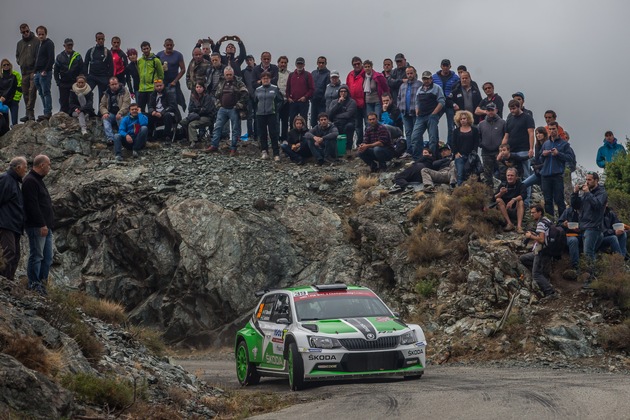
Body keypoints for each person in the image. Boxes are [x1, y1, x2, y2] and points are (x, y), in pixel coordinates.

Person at [22, 154, 54, 295]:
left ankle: (42, 283)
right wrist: (42, 224)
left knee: (47, 258)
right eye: (48, 164)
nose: (49, 167)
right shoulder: (30, 181)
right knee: (37, 255)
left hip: (45, 226)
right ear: (42, 165)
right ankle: (34, 284)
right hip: (37, 226)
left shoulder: (38, 180)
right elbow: (32, 205)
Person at [570, 172, 607, 289]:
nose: (587, 182)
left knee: (588, 253)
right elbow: (575, 206)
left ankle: (591, 280)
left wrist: (587, 193)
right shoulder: (587, 193)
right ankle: (594, 278)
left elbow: (597, 205)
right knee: (589, 253)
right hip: (585, 226)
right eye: (586, 179)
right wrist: (575, 194)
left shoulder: (602, 193)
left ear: (596, 180)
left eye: (589, 180)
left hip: (594, 227)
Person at [206, 67, 248, 155]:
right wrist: (218, 104)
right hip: (222, 109)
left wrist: (238, 105)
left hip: (234, 109)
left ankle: (233, 148)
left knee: (235, 129)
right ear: (224, 75)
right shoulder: (221, 82)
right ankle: (214, 145)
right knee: (217, 127)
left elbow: (245, 94)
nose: (229, 76)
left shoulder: (239, 82)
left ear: (233, 74)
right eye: (227, 75)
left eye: (230, 74)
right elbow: (216, 94)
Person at [519, 204, 558, 300]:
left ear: (539, 212)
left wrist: (530, 237)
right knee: (523, 258)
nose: (532, 215)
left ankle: (550, 292)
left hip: (542, 251)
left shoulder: (541, 223)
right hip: (548, 250)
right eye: (531, 212)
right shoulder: (547, 220)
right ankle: (541, 268)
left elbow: (541, 239)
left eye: (534, 212)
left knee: (536, 274)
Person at [502, 99, 535, 200]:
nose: (512, 111)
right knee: (512, 175)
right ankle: (514, 199)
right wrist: (501, 150)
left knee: (526, 175)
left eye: (514, 108)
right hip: (511, 151)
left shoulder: (527, 118)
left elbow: (531, 133)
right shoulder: (509, 120)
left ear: (519, 107)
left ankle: (526, 200)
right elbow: (506, 136)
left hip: (523, 150)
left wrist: (531, 149)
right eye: (510, 109)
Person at [0, 156, 27, 281]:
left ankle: (8, 282)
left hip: (15, 225)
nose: (25, 170)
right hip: (6, 224)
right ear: (18, 167)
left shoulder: (14, 181)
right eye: (25, 167)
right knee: (9, 251)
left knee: (15, 255)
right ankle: (2, 280)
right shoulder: (6, 179)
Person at [411, 70, 445, 160]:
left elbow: (441, 101)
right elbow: (416, 102)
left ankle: (432, 158)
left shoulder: (437, 88)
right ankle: (417, 158)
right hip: (420, 117)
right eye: (424, 79)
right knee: (415, 137)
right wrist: (417, 111)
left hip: (432, 116)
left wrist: (434, 113)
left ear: (431, 79)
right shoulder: (419, 89)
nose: (426, 80)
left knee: (433, 138)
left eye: (428, 78)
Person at [540, 122, 571, 218]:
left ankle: (562, 221)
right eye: (550, 129)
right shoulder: (546, 143)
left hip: (557, 175)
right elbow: (540, 159)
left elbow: (570, 158)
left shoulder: (564, 144)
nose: (552, 131)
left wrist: (558, 154)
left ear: (558, 130)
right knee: (547, 200)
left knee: (559, 200)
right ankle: (549, 221)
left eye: (554, 129)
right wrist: (543, 154)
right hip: (545, 175)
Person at [254, 72, 284, 161]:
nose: (265, 80)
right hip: (260, 115)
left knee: (273, 134)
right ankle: (264, 151)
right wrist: (257, 110)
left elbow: (281, 100)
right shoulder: (258, 89)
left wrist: (275, 109)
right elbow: (255, 101)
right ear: (261, 80)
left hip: (272, 114)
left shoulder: (274, 89)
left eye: (267, 78)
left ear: (270, 79)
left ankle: (276, 154)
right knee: (262, 134)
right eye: (264, 78)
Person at [432, 59, 459, 146]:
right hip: (438, 103)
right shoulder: (434, 77)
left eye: (447, 65)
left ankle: (449, 145)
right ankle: (435, 142)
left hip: (450, 104)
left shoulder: (455, 77)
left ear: (450, 66)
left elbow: (458, 88)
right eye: (444, 65)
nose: (445, 67)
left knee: (451, 125)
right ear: (441, 66)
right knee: (433, 121)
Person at [478, 102, 505, 188]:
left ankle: (504, 191)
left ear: (496, 110)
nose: (490, 112)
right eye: (488, 110)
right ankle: (489, 195)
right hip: (486, 152)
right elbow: (478, 137)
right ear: (486, 111)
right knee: (487, 175)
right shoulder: (481, 124)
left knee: (503, 172)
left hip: (499, 152)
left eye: (492, 110)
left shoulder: (503, 123)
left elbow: (507, 136)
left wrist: (502, 147)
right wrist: (481, 144)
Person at [396, 66, 421, 158]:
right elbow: (398, 98)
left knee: (416, 133)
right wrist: (399, 106)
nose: (410, 75)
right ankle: (409, 151)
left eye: (411, 73)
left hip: (415, 113)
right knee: (408, 132)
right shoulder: (403, 86)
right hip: (404, 113)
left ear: (414, 73)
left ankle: (417, 151)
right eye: (408, 73)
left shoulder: (419, 85)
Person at [156, 38, 186, 113]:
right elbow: (155, 68)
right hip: (162, 82)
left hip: (173, 83)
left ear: (173, 45)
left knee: (174, 102)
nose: (169, 47)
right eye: (167, 45)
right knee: (163, 102)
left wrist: (175, 81)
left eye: (171, 45)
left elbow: (183, 69)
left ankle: (176, 119)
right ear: (164, 45)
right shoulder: (159, 55)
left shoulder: (178, 55)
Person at [53, 39, 83, 115]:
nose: (70, 46)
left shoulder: (77, 56)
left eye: (71, 45)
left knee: (75, 101)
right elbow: (56, 71)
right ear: (64, 46)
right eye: (68, 45)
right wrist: (58, 82)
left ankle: (75, 115)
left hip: (74, 83)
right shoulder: (59, 57)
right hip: (63, 83)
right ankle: (63, 116)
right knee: (63, 101)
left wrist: (80, 81)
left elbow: (82, 69)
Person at [180, 82, 215, 147]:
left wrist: (196, 110)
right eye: (197, 87)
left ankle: (194, 142)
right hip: (195, 115)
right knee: (183, 122)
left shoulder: (207, 97)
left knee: (191, 124)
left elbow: (206, 110)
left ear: (204, 88)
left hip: (207, 117)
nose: (198, 89)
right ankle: (188, 138)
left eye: (200, 87)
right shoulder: (193, 97)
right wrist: (198, 110)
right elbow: (190, 108)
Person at [16, 23, 38, 122]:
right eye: (23, 32)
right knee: (25, 93)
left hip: (33, 71)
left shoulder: (36, 41)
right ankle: (28, 114)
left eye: (27, 31)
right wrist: (19, 62)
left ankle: (31, 113)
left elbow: (40, 54)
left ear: (29, 30)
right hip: (24, 71)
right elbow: (17, 55)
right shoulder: (19, 43)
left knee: (32, 92)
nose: (25, 33)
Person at [451, 110, 480, 186]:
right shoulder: (456, 131)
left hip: (471, 156)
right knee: (460, 173)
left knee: (470, 173)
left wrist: (474, 153)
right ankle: (460, 189)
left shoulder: (474, 130)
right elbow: (453, 143)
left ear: (468, 119)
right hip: (460, 156)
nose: (463, 120)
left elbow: (476, 142)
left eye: (464, 118)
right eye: (461, 119)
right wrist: (456, 153)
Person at [494, 167, 526, 233]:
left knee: (520, 201)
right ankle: (509, 223)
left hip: (516, 209)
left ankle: (519, 226)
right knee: (498, 200)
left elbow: (524, 195)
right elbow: (493, 198)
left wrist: (513, 200)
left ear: (516, 177)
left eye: (512, 175)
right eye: (508, 175)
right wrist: (500, 193)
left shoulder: (521, 185)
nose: (510, 177)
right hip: (505, 209)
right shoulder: (503, 185)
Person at [83, 32, 113, 102]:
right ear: (96, 40)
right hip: (92, 76)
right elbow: (85, 64)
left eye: (102, 39)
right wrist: (86, 76)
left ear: (104, 40)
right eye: (99, 39)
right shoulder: (90, 51)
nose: (101, 41)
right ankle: (89, 110)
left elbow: (111, 66)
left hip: (103, 77)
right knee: (87, 93)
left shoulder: (107, 52)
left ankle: (101, 112)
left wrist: (109, 78)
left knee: (102, 98)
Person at [99, 76, 130, 144]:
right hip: (112, 113)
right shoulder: (106, 93)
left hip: (123, 113)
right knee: (105, 118)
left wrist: (120, 113)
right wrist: (105, 112)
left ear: (118, 83)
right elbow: (102, 105)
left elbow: (126, 104)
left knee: (120, 118)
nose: (114, 86)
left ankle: (123, 137)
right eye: (112, 84)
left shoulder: (124, 91)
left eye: (116, 84)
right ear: (109, 85)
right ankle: (110, 138)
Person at [33, 26, 54, 121]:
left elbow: (51, 58)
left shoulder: (49, 43)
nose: (41, 36)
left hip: (45, 72)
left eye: (42, 34)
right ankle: (45, 111)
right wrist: (34, 72)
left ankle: (48, 112)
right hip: (37, 73)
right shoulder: (38, 44)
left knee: (46, 92)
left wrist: (45, 70)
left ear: (46, 34)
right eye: (39, 34)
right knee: (41, 92)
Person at [327, 84, 356, 151]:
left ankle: (348, 149)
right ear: (339, 93)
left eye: (345, 91)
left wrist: (336, 116)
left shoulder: (352, 102)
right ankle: (335, 149)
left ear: (348, 92)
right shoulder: (334, 102)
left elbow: (348, 114)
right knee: (331, 128)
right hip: (336, 123)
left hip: (348, 122)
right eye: (341, 91)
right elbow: (330, 113)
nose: (343, 93)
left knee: (349, 126)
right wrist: (338, 103)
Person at [286, 57, 314, 126]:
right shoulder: (291, 75)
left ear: (304, 65)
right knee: (292, 120)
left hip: (303, 102)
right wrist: (288, 97)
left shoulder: (308, 75)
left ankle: (304, 136)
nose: (299, 65)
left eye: (301, 64)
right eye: (298, 63)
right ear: (296, 64)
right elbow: (288, 88)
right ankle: (292, 136)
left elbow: (312, 89)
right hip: (293, 102)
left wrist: (305, 97)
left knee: (303, 120)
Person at [136, 41, 163, 112]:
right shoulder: (139, 61)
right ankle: (141, 123)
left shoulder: (156, 60)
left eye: (147, 48)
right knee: (140, 110)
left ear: (150, 48)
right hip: (142, 89)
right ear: (141, 50)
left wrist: (157, 86)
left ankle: (152, 123)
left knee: (152, 109)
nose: (146, 50)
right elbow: (139, 73)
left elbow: (161, 75)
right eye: (144, 49)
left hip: (152, 89)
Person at [346, 56, 366, 145]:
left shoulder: (365, 73)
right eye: (355, 64)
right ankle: (359, 143)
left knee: (368, 123)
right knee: (357, 125)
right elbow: (347, 87)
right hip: (354, 104)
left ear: (361, 64)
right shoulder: (350, 75)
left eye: (358, 63)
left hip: (365, 103)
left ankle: (367, 143)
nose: (357, 65)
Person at [558, 205, 582, 272]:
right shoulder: (568, 211)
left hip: (582, 234)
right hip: (568, 235)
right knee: (573, 240)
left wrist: (581, 229)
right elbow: (559, 224)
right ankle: (575, 266)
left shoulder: (587, 210)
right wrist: (564, 224)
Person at [311, 56, 330, 128]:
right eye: (319, 63)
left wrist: (323, 99)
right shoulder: (313, 73)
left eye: (323, 63)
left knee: (322, 121)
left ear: (325, 63)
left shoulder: (328, 74)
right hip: (313, 101)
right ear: (317, 63)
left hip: (322, 103)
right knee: (313, 121)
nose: (321, 64)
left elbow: (327, 88)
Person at [1, 60, 21, 127]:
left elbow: (20, 87)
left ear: (10, 65)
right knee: (5, 123)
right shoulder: (0, 77)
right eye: (4, 65)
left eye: (7, 64)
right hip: (3, 101)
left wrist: (16, 98)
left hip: (13, 100)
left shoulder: (15, 75)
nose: (6, 66)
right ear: (1, 67)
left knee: (15, 123)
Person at [276, 56, 289, 141]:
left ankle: (284, 138)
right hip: (276, 100)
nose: (283, 64)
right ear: (278, 63)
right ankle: (276, 138)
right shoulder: (274, 73)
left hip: (286, 100)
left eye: (285, 63)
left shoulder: (290, 74)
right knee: (276, 120)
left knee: (285, 121)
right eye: (281, 62)